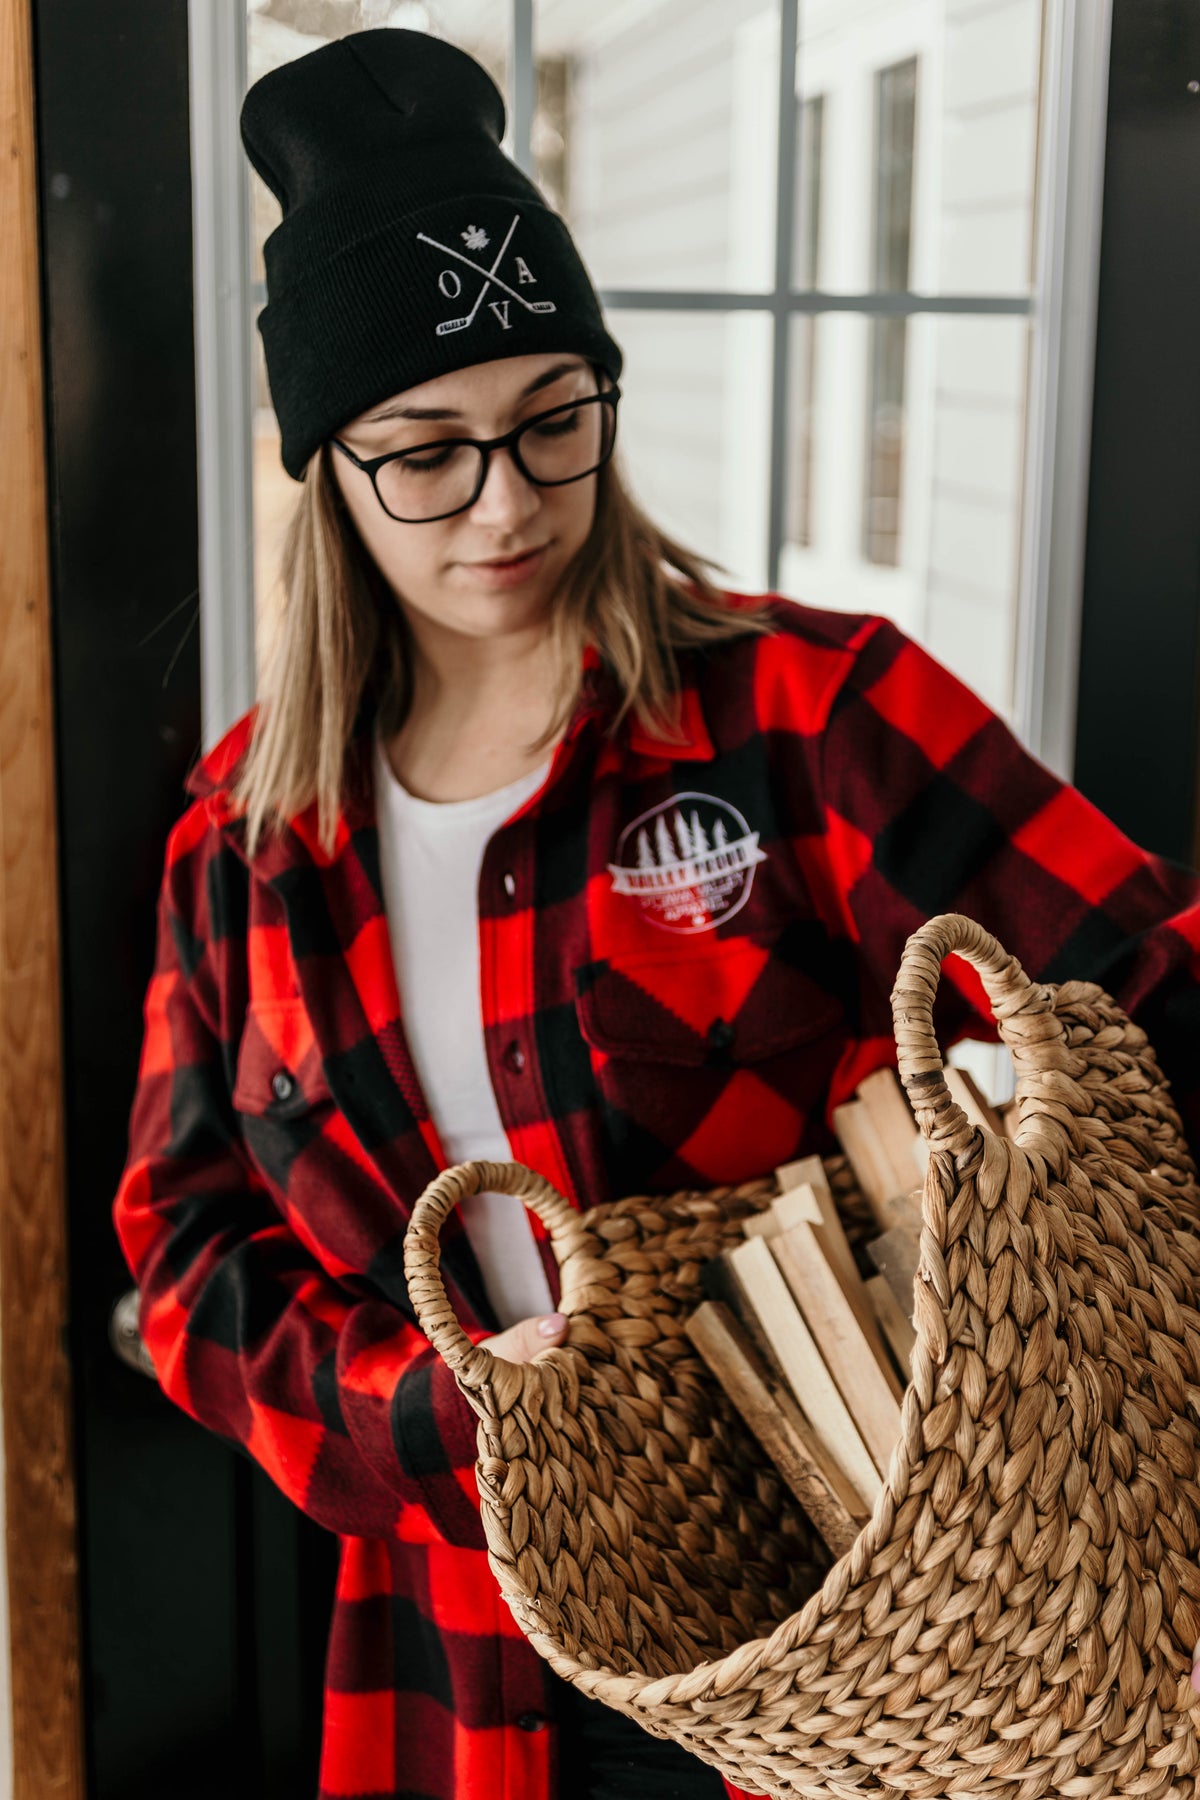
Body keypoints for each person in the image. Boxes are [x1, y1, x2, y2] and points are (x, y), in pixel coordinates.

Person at [112, 26, 1200, 1800]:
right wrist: (451, 1407)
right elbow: (181, 1257)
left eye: (556, 419)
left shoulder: (813, 710)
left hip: (878, 1607)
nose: (510, 502)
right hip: (461, 1653)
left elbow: (1149, 993)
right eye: (428, 452)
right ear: (330, 466)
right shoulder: (246, 845)